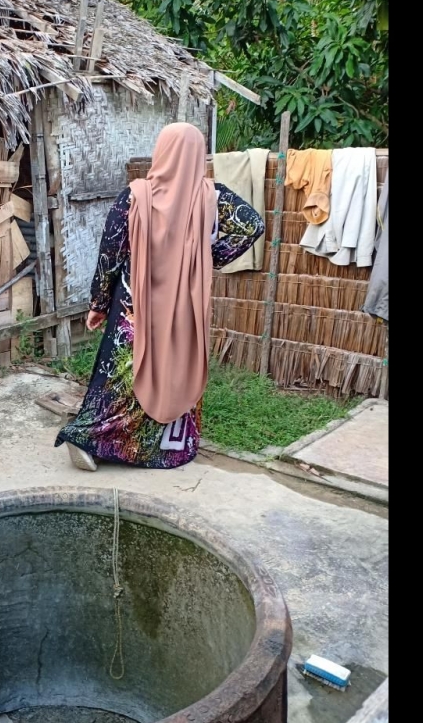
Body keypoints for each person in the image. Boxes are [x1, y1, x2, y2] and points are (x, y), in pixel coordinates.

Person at [55, 122, 265, 471]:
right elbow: (252, 225)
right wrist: (206, 258)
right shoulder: (214, 197)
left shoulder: (136, 195)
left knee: (122, 374)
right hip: (185, 301)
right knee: (176, 366)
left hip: (133, 304)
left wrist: (99, 304)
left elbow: (111, 254)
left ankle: (89, 438)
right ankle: (167, 448)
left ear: (162, 151)